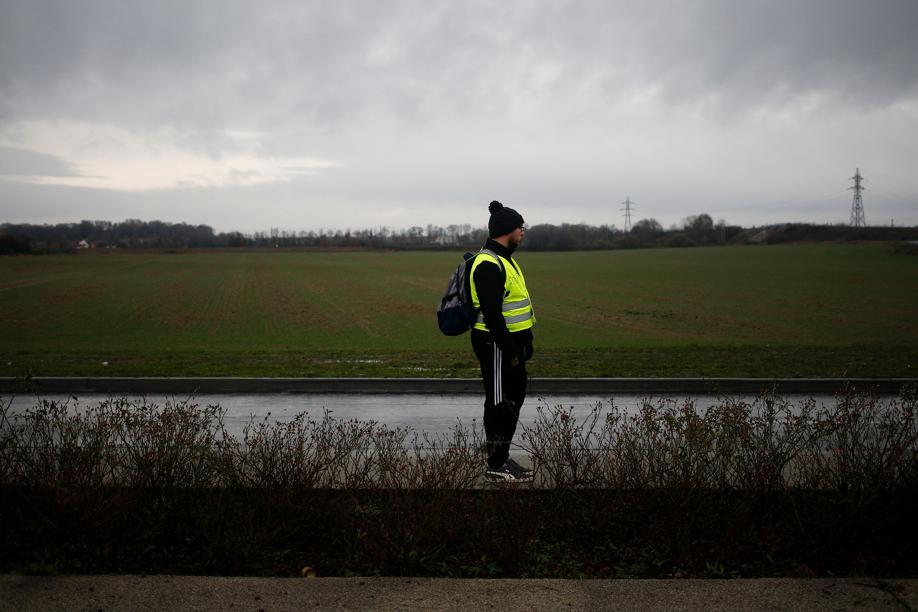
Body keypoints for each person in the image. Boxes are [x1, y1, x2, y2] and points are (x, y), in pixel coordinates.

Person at [469, 200, 536, 482]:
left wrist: (525, 341)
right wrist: (509, 351)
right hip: (496, 345)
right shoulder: (487, 264)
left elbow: (516, 306)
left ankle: (502, 458)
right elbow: (494, 316)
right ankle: (495, 465)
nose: (523, 231)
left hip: (511, 346)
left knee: (513, 398)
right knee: (499, 403)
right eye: (521, 226)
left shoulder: (506, 259)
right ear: (507, 229)